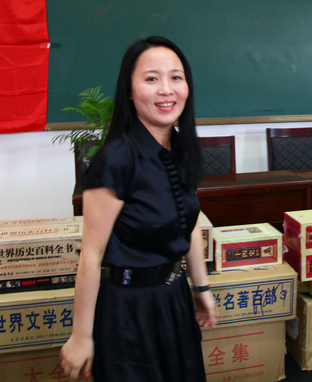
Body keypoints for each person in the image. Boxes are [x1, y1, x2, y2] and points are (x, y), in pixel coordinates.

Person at [59, 36, 217, 381]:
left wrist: (201, 288)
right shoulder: (116, 159)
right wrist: (81, 336)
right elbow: (91, 256)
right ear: (129, 91)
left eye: (176, 77)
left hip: (174, 300)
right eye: (151, 78)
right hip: (128, 311)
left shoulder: (180, 148)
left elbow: (187, 223)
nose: (166, 90)